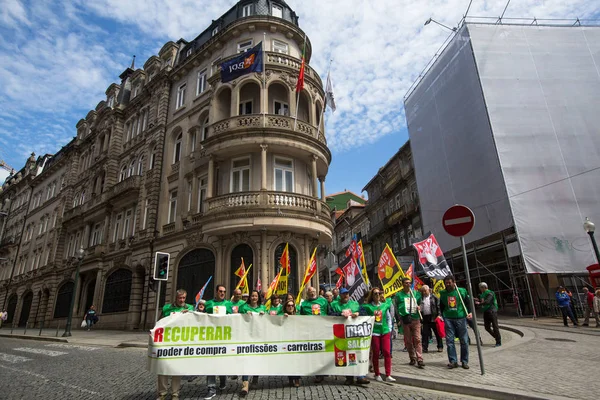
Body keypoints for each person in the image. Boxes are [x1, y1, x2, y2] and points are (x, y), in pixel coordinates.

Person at [157, 289, 194, 400]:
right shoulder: (167, 308)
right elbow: (159, 323)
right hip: (166, 342)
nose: (182, 300)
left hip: (180, 342)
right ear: (176, 297)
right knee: (162, 368)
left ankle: (175, 393)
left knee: (176, 369)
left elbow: (194, 322)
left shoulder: (189, 308)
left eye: (183, 298)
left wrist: (189, 314)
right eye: (180, 298)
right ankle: (162, 393)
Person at [329, 288, 369, 386]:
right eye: (343, 294)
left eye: (347, 294)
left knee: (357, 353)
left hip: (355, 334)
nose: (345, 296)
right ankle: (349, 377)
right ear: (340, 295)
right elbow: (329, 315)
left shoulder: (355, 304)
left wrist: (358, 313)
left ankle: (361, 376)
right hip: (341, 334)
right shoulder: (334, 305)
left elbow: (365, 313)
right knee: (345, 354)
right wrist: (340, 314)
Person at [204, 285, 232, 399]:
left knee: (222, 361)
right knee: (211, 362)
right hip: (211, 337)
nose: (222, 293)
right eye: (220, 291)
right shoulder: (208, 303)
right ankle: (211, 388)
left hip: (224, 337)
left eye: (224, 292)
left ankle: (223, 380)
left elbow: (233, 317)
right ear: (216, 292)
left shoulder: (229, 304)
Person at [361, 288, 395, 382]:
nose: (377, 295)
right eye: (375, 293)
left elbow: (388, 317)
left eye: (379, 293)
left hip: (384, 331)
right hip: (375, 332)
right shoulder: (368, 307)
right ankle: (377, 374)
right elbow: (362, 314)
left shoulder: (384, 305)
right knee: (375, 353)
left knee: (387, 352)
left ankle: (388, 375)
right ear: (372, 295)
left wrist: (389, 328)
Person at [439, 275, 472, 370]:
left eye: (449, 282)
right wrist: (442, 315)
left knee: (464, 340)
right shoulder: (443, 293)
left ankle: (464, 361)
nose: (448, 284)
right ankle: (453, 361)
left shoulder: (461, 291)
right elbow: (441, 305)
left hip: (461, 318)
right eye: (446, 283)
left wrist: (469, 312)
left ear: (454, 282)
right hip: (448, 318)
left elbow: (467, 302)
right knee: (449, 341)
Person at [299, 286, 329, 383]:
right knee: (316, 352)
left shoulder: (323, 301)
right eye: (310, 292)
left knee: (325, 351)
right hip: (311, 332)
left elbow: (330, 313)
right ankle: (318, 373)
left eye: (313, 291)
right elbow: (301, 316)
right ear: (307, 294)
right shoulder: (304, 304)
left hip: (323, 329)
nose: (312, 293)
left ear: (316, 292)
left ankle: (325, 370)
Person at [239, 290, 265, 396]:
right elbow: (237, 318)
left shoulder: (262, 308)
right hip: (246, 337)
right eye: (252, 296)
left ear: (258, 298)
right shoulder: (244, 307)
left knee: (256, 358)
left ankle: (255, 379)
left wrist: (264, 316)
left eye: (256, 296)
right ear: (250, 297)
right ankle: (245, 384)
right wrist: (244, 315)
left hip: (258, 337)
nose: (254, 297)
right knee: (246, 359)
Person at [395, 278, 423, 368]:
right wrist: (399, 319)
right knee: (408, 340)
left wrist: (420, 307)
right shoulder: (399, 295)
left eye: (409, 283)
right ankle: (412, 357)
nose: (408, 284)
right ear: (403, 284)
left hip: (415, 318)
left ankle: (420, 358)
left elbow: (421, 303)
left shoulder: (416, 293)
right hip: (405, 319)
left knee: (417, 339)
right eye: (406, 283)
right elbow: (396, 307)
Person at [281, 299, 301, 387]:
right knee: (289, 361)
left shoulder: (298, 316)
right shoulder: (282, 316)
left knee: (296, 361)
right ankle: (290, 379)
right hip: (287, 341)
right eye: (288, 305)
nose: (290, 307)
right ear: (286, 307)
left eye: (292, 305)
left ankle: (297, 379)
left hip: (297, 340)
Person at [419, 285, 443, 353]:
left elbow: (438, 307)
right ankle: (425, 347)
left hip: (433, 317)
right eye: (422, 291)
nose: (424, 292)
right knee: (425, 333)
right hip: (425, 318)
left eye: (425, 291)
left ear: (428, 290)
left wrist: (439, 315)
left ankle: (440, 346)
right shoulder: (421, 298)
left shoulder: (434, 297)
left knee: (437, 333)